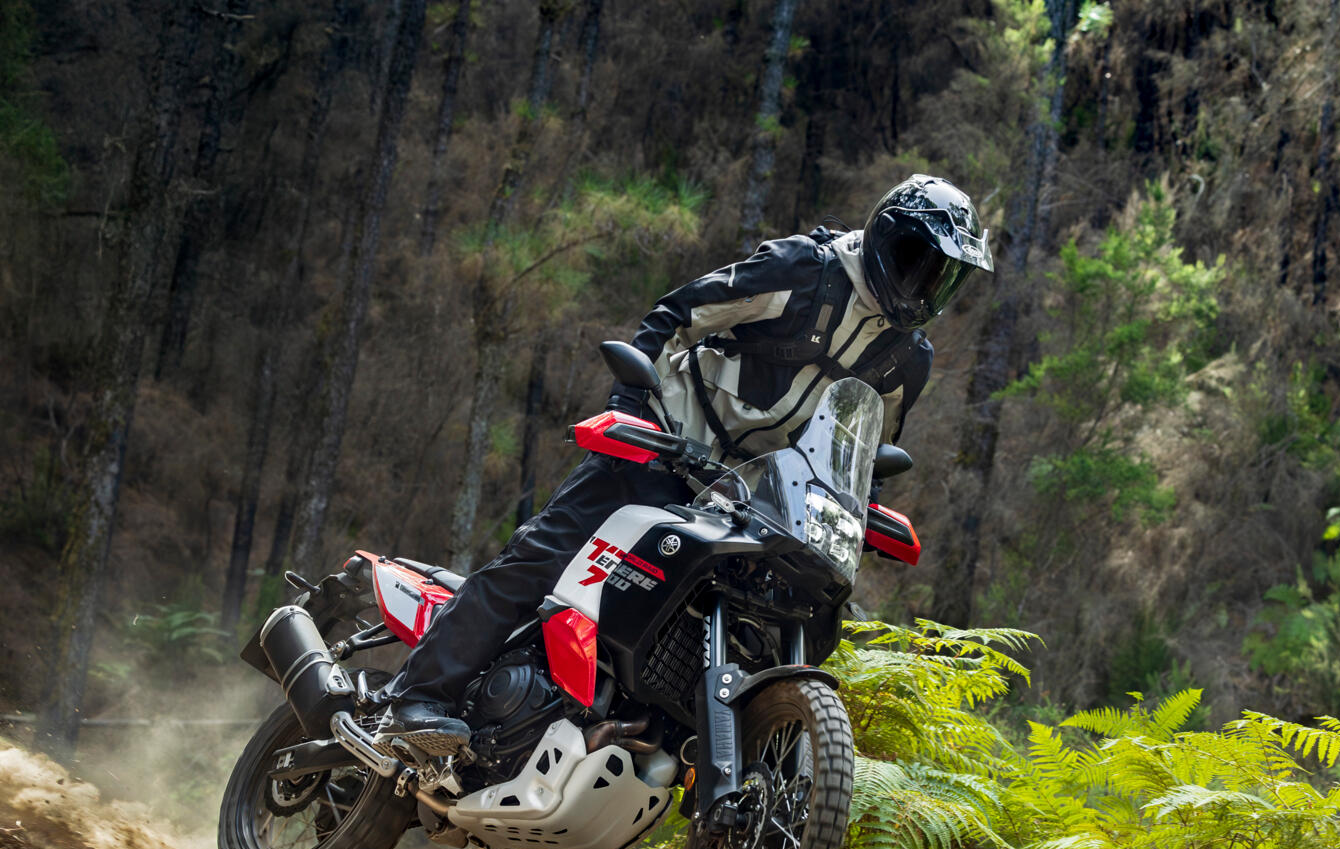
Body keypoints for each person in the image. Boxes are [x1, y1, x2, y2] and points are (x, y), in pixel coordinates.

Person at [377, 174, 994, 756]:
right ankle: (416, 699)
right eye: (917, 262)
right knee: (542, 557)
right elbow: (678, 316)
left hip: (758, 501)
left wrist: (863, 508)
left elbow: (862, 446)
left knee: (785, 621)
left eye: (944, 277)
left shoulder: (909, 359)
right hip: (669, 446)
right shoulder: (803, 271)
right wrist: (631, 411)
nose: (925, 286)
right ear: (885, 236)